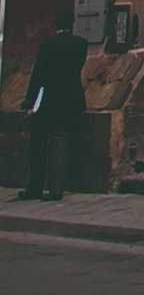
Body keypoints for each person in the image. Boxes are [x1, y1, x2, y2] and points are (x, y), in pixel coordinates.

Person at [19, 16, 89, 202]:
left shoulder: (48, 44)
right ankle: (56, 189)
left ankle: (35, 186)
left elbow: (38, 74)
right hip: (71, 101)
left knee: (39, 143)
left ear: (55, 24)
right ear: (72, 23)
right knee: (60, 140)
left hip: (49, 99)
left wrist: (29, 101)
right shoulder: (81, 44)